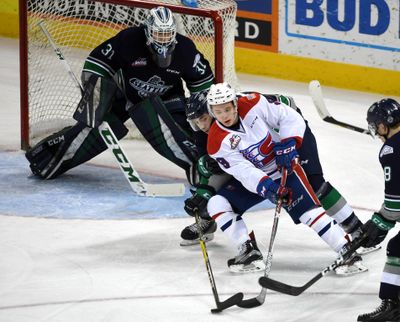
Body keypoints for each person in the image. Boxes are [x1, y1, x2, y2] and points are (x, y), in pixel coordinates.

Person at [181, 89, 376, 272]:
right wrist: (266, 187)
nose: (202, 125)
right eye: (197, 122)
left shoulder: (252, 104)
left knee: (314, 186)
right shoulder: (213, 138)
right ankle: (248, 251)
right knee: (218, 203)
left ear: (233, 104)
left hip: (290, 130)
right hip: (261, 172)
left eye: (204, 119)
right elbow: (240, 170)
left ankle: (353, 237)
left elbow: (288, 117)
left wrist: (289, 142)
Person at [25, 6, 214, 187]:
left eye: (167, 34)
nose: (163, 39)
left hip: (167, 98)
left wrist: (199, 110)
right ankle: (49, 159)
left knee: (176, 134)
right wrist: (96, 95)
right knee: (97, 127)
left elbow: (204, 82)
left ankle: (203, 169)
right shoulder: (129, 40)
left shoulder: (186, 50)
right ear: (148, 31)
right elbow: (97, 63)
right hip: (124, 95)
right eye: (158, 33)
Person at [357, 98, 400, 321]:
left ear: (385, 125)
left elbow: (395, 202)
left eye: (376, 126)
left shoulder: (390, 150)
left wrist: (380, 223)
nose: (376, 131)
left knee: (397, 248)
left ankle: (392, 307)